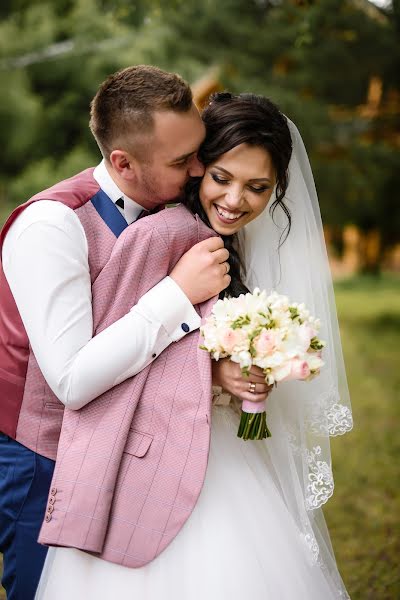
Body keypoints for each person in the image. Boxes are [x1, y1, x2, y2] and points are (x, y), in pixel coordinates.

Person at [35, 92, 353, 599]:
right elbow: (105, 366)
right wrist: (210, 373)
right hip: (155, 464)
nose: (234, 200)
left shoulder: (240, 243)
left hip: (223, 453)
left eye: (257, 187)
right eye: (222, 178)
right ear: (199, 168)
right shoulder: (156, 237)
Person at [0, 66, 234, 600]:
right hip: (38, 460)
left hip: (121, 449)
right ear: (122, 163)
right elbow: (72, 380)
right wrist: (177, 295)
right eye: (182, 161)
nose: (200, 170)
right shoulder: (52, 227)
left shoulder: (170, 211)